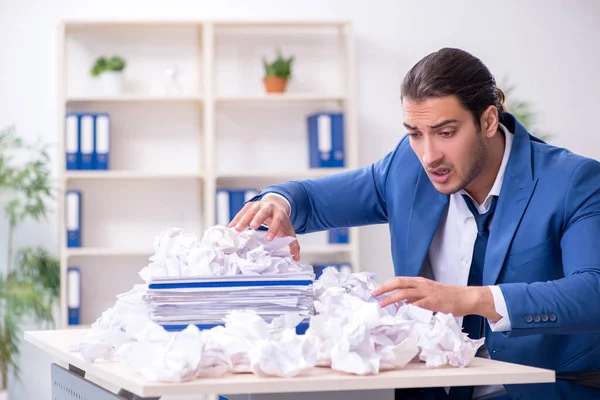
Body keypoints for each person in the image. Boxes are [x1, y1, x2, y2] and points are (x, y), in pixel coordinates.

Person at [228, 47, 600, 400]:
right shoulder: (407, 168)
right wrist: (279, 201)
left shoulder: (573, 182)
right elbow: (312, 198)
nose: (428, 155)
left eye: (446, 132)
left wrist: (467, 299)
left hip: (540, 391)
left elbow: (593, 292)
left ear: (488, 120)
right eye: (414, 133)